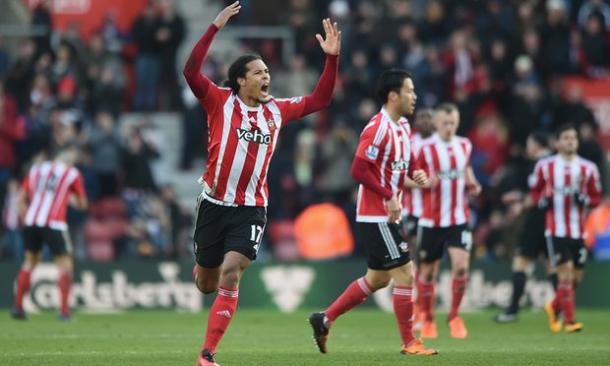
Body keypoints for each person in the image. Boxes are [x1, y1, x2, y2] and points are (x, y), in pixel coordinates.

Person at [182, 2, 340, 365]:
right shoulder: (218, 101)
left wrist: (331, 59)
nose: (267, 76)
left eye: (268, 71)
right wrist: (214, 27)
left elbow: (321, 99)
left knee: (232, 272)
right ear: (241, 80)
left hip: (252, 207)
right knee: (206, 283)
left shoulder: (277, 110)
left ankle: (207, 354)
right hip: (213, 203)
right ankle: (203, 266)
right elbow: (191, 72)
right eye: (258, 72)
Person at [308, 69, 438, 356]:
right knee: (406, 273)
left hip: (388, 214)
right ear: (393, 96)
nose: (414, 96)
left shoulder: (402, 124)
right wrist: (389, 194)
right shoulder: (377, 128)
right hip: (375, 214)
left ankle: (324, 319)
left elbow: (409, 153)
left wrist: (415, 169)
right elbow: (358, 169)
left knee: (378, 279)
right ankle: (410, 343)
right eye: (409, 91)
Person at [415, 103, 482, 339]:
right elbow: (408, 178)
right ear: (435, 123)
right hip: (431, 220)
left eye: (453, 122)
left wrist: (472, 183)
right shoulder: (424, 149)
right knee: (428, 273)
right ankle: (428, 318)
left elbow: (465, 169)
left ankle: (454, 316)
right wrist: (423, 181)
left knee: (461, 266)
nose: (449, 127)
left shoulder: (464, 144)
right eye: (445, 122)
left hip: (458, 218)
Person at [532, 124, 601, 333]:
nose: (570, 141)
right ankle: (570, 322)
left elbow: (596, 198)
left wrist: (585, 199)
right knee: (566, 274)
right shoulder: (545, 166)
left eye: (573, 138)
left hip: (578, 231)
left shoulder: (588, 168)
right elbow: (536, 192)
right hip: (556, 230)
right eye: (566, 138)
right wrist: (543, 201)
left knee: (576, 278)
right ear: (557, 142)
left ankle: (553, 307)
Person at [10, 146, 88, 320]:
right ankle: (64, 312)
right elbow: (83, 204)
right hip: (54, 223)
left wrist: (26, 217)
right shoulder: (71, 173)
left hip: (31, 222)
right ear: (70, 159)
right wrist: (70, 199)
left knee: (29, 263)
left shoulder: (36, 169)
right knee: (65, 266)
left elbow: (20, 198)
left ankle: (17, 307)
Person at [494, 132, 556, 323]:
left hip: (536, 220)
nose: (527, 148)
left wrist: (520, 206)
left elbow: (539, 196)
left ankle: (512, 311)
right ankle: (563, 309)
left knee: (521, 262)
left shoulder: (540, 164)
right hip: (551, 219)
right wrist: (520, 197)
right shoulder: (553, 162)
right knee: (551, 265)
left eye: (530, 144)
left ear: (537, 145)